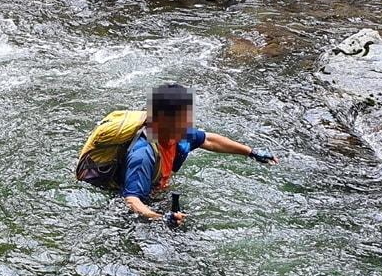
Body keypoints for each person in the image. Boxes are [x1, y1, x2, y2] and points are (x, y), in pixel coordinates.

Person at [75, 83, 277, 225]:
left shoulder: (177, 134)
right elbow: (131, 200)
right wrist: (159, 219)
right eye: (182, 119)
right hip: (134, 206)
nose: (187, 124)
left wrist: (251, 152)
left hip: (156, 193)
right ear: (162, 121)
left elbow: (209, 139)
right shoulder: (143, 154)